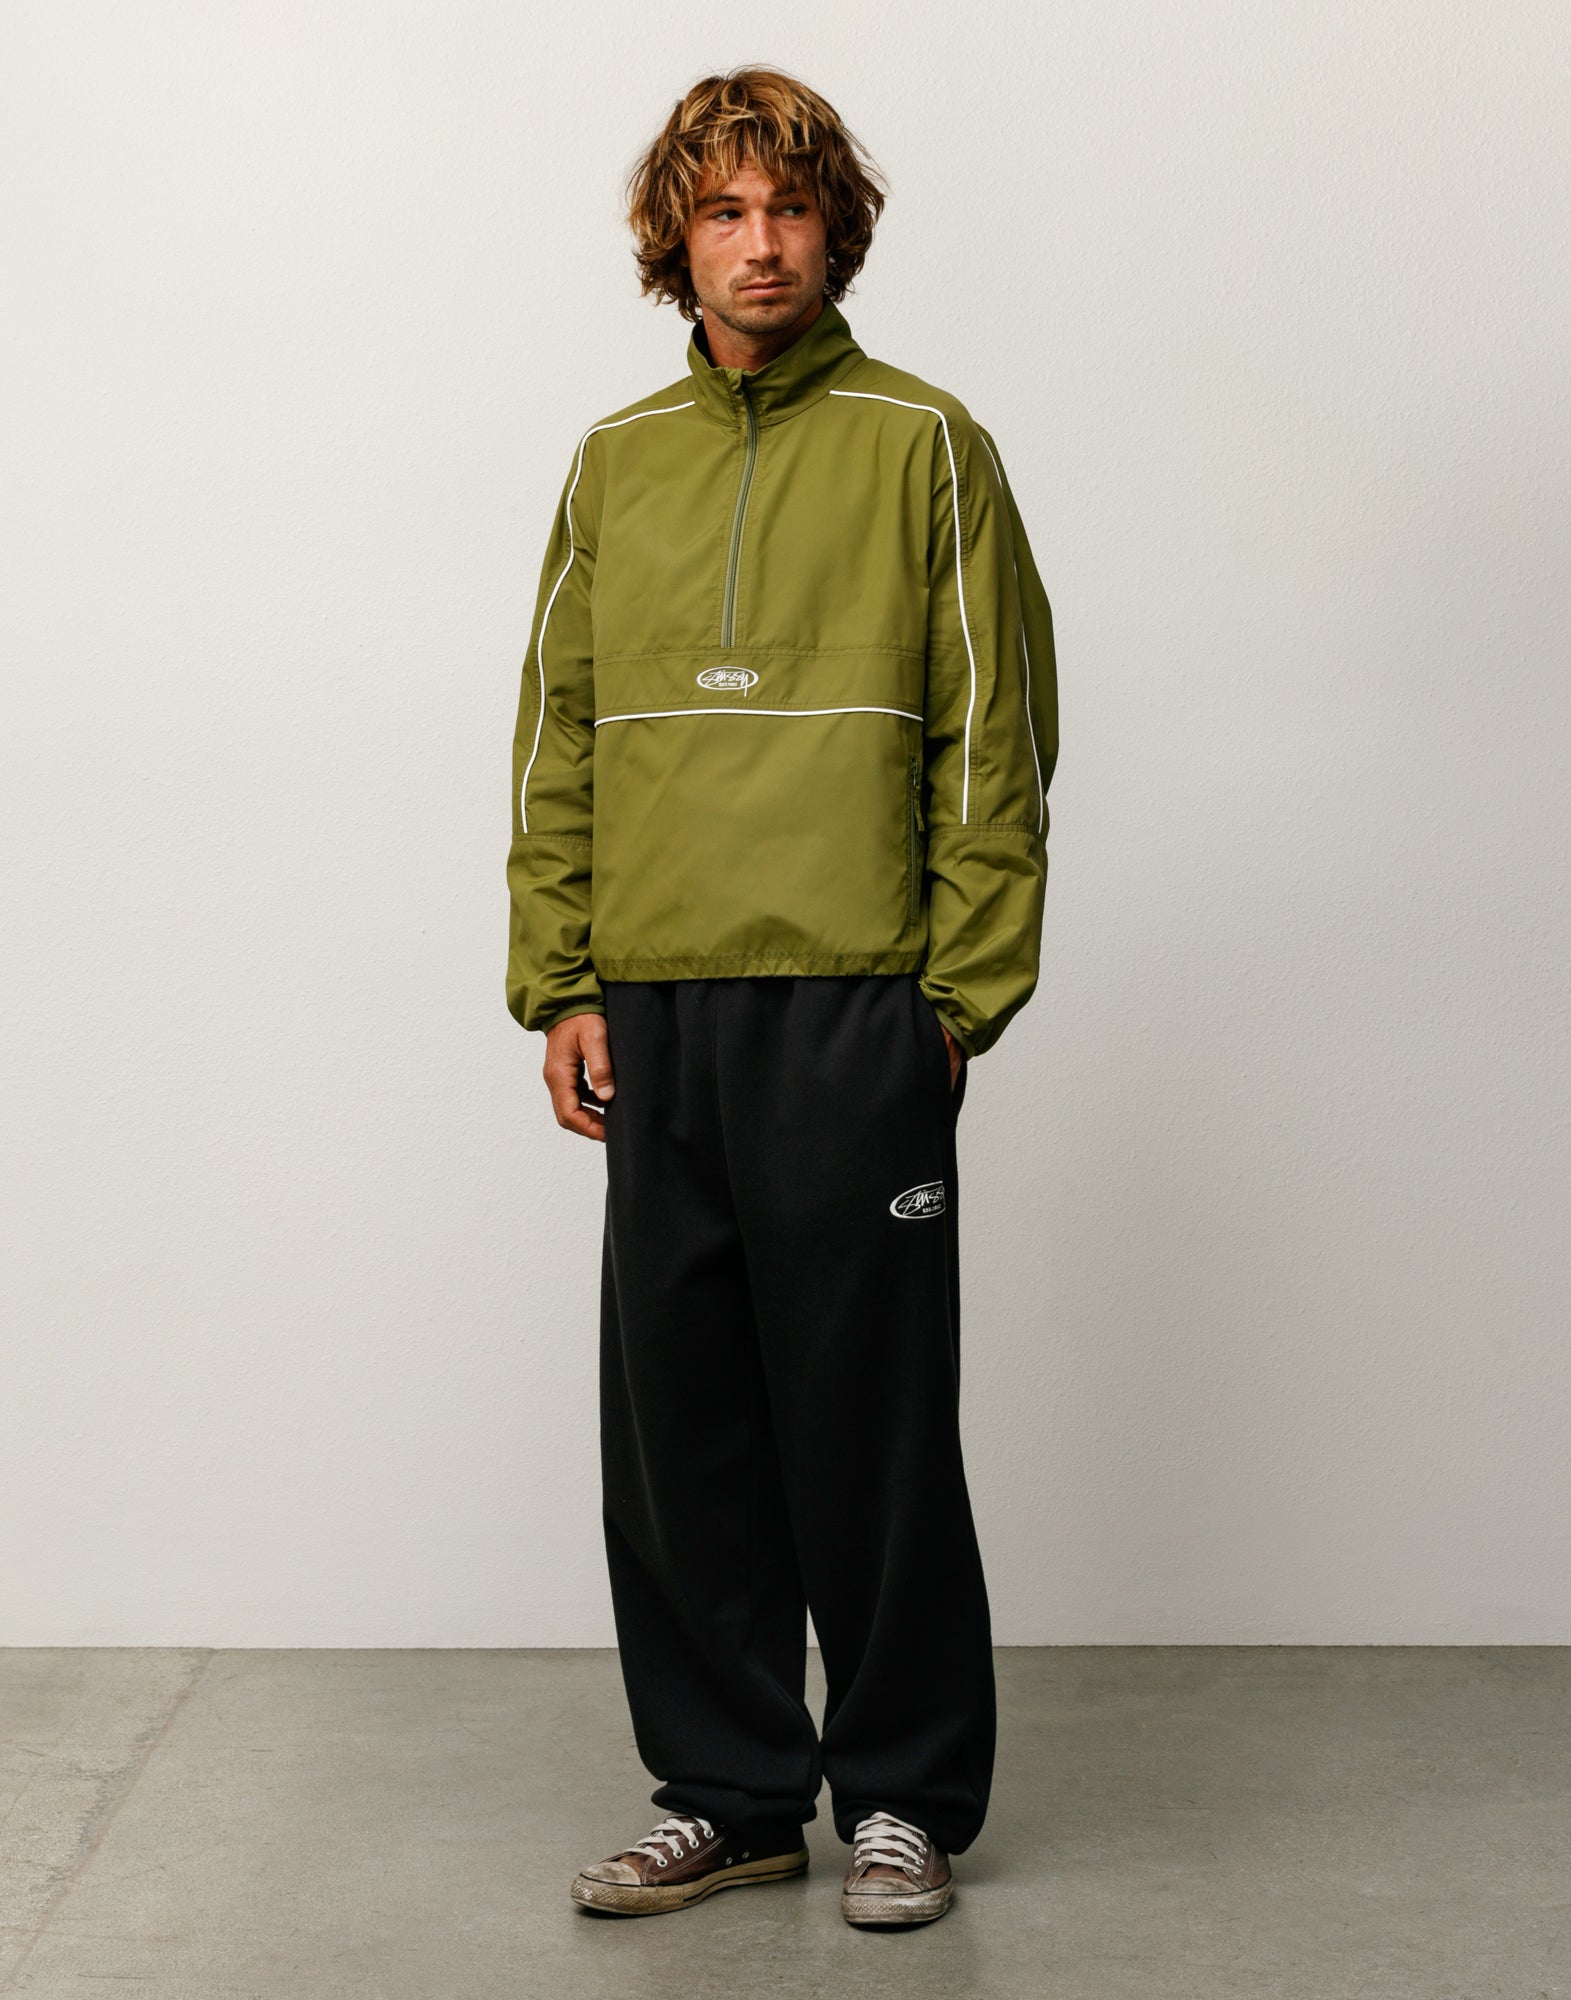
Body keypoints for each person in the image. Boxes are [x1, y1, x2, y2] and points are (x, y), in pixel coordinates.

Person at [505, 65, 1058, 1929]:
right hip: (658, 1006)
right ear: (676, 239)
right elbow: (562, 737)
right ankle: (731, 1792)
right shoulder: (615, 463)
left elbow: (997, 741)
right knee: (681, 1430)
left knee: (869, 1420)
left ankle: (902, 1792)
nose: (760, 244)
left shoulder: (926, 445)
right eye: (725, 211)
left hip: (855, 1004)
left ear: (839, 231)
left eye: (790, 208)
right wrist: (562, 980)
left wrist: (955, 1004)